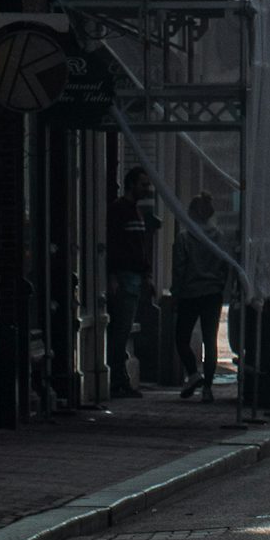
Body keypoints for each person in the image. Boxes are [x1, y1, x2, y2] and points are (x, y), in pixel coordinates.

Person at [172, 191, 230, 402]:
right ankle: (208, 388)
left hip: (190, 293)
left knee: (181, 337)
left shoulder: (184, 238)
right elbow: (225, 265)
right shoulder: (219, 237)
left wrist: (175, 293)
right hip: (212, 294)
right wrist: (221, 286)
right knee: (210, 340)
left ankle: (193, 373)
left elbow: (179, 268)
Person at [105, 166, 158, 398]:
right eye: (143, 184)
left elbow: (139, 247)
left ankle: (119, 377)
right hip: (125, 277)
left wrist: (146, 274)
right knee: (120, 330)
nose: (147, 188)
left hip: (134, 277)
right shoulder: (120, 210)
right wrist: (114, 275)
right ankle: (118, 379)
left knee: (124, 329)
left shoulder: (135, 211)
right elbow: (115, 244)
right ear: (131, 185)